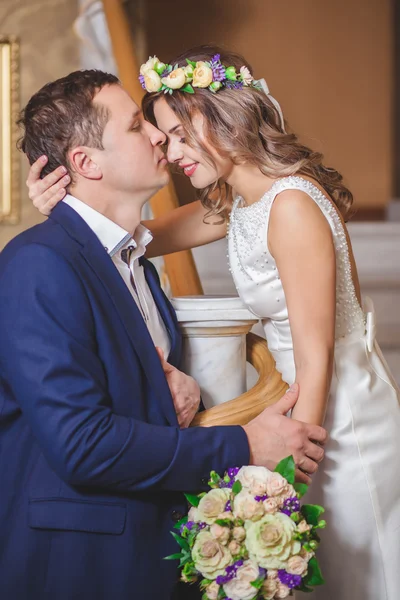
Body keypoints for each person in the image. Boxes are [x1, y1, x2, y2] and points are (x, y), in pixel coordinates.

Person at [28, 47, 400, 600]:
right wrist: (66, 210)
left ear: (219, 116)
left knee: (362, 575)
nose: (169, 149)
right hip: (302, 403)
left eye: (178, 133)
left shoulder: (291, 203)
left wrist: (291, 467)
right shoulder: (237, 203)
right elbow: (135, 237)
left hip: (335, 414)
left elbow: (316, 353)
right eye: (160, 134)